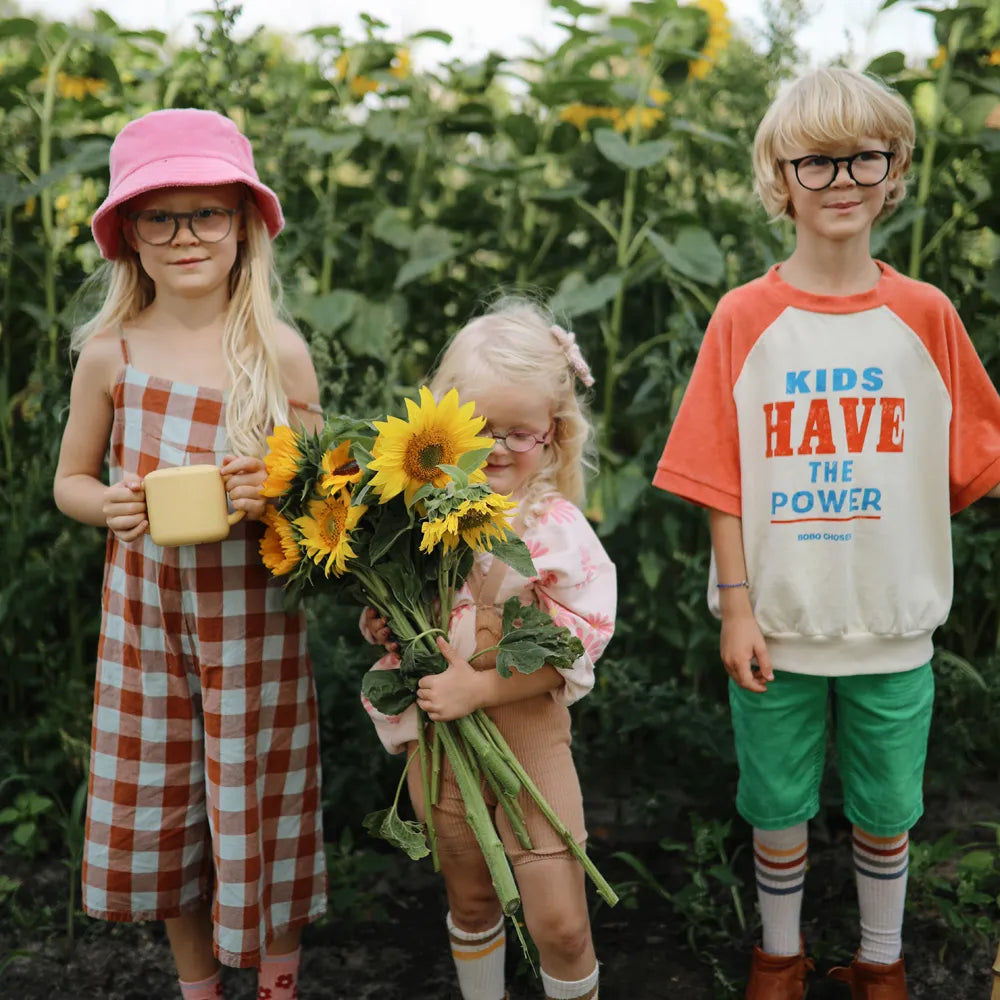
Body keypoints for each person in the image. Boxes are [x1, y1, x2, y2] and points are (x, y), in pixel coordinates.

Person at [652, 67, 1000, 1000]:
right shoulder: (744, 317)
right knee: (775, 808)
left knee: (888, 812)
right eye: (817, 161)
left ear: (895, 171)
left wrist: (888, 538)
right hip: (776, 624)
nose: (843, 180)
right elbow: (718, 477)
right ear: (782, 177)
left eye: (864, 158)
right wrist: (736, 606)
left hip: (894, 625)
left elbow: (967, 462)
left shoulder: (927, 314)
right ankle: (779, 959)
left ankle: (881, 963)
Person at [52, 108, 327, 1000]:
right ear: (128, 234)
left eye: (207, 213)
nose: (185, 236)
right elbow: (69, 481)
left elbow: (325, 497)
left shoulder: (277, 353)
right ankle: (197, 986)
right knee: (164, 803)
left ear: (244, 225)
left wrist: (274, 492)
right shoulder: (111, 355)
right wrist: (108, 505)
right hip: (146, 624)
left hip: (256, 625)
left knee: (263, 797)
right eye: (160, 218)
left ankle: (277, 983)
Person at [361, 299, 616, 1000]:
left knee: (561, 923)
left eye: (519, 432)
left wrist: (480, 688)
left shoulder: (554, 530)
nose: (497, 448)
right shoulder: (414, 519)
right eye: (479, 429)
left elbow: (575, 644)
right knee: (472, 901)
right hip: (440, 746)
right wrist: (383, 626)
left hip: (527, 739)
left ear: (553, 433)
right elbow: (402, 609)